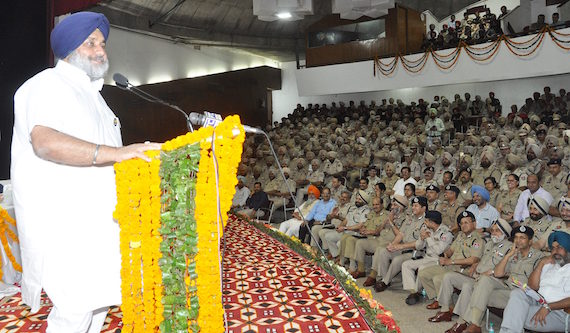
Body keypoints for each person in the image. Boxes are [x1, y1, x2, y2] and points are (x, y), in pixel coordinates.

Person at [11, 12, 161, 332]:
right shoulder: (45, 85)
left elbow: (111, 162)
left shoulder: (99, 101)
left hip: (100, 224)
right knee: (75, 310)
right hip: (66, 225)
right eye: (90, 42)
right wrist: (119, 153)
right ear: (67, 48)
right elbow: (45, 142)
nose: (100, 50)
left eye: (102, 43)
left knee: (97, 306)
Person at [499, 231, 570, 333]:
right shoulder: (549, 264)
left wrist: (548, 307)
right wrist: (541, 264)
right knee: (517, 293)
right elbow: (532, 286)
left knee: (513, 314)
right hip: (539, 302)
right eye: (553, 248)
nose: (555, 251)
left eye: (559, 247)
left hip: (559, 312)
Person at [402, 210, 453, 304]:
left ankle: (417, 292)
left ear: (432, 222)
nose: (424, 223)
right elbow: (418, 247)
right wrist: (421, 239)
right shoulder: (426, 229)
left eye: (426, 221)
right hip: (426, 257)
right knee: (406, 264)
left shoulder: (446, 233)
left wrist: (428, 238)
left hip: (437, 260)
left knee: (422, 268)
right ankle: (413, 291)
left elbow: (439, 251)